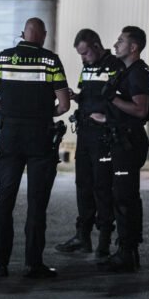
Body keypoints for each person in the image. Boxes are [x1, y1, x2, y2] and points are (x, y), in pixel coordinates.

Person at [0, 17, 70, 278]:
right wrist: (42, 113)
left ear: (23, 34)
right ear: (43, 35)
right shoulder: (51, 61)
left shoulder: (3, 58)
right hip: (40, 137)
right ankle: (33, 264)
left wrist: (12, 111)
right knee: (36, 202)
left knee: (5, 198)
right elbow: (64, 105)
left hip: (9, 136)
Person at [54, 29, 123, 259]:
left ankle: (104, 239)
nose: (83, 58)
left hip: (103, 136)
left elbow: (118, 98)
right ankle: (82, 237)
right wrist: (77, 97)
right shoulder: (88, 66)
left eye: (85, 53)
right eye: (80, 54)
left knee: (102, 187)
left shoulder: (115, 66)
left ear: (95, 45)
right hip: (85, 133)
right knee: (83, 185)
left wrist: (106, 117)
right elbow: (88, 93)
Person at [96, 26, 149, 272]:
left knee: (125, 198)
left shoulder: (138, 72)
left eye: (121, 41)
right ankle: (126, 250)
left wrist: (113, 99)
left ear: (133, 47)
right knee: (121, 196)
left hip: (129, 141)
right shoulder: (127, 70)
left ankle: (127, 253)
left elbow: (140, 110)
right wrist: (106, 118)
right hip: (121, 138)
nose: (115, 44)